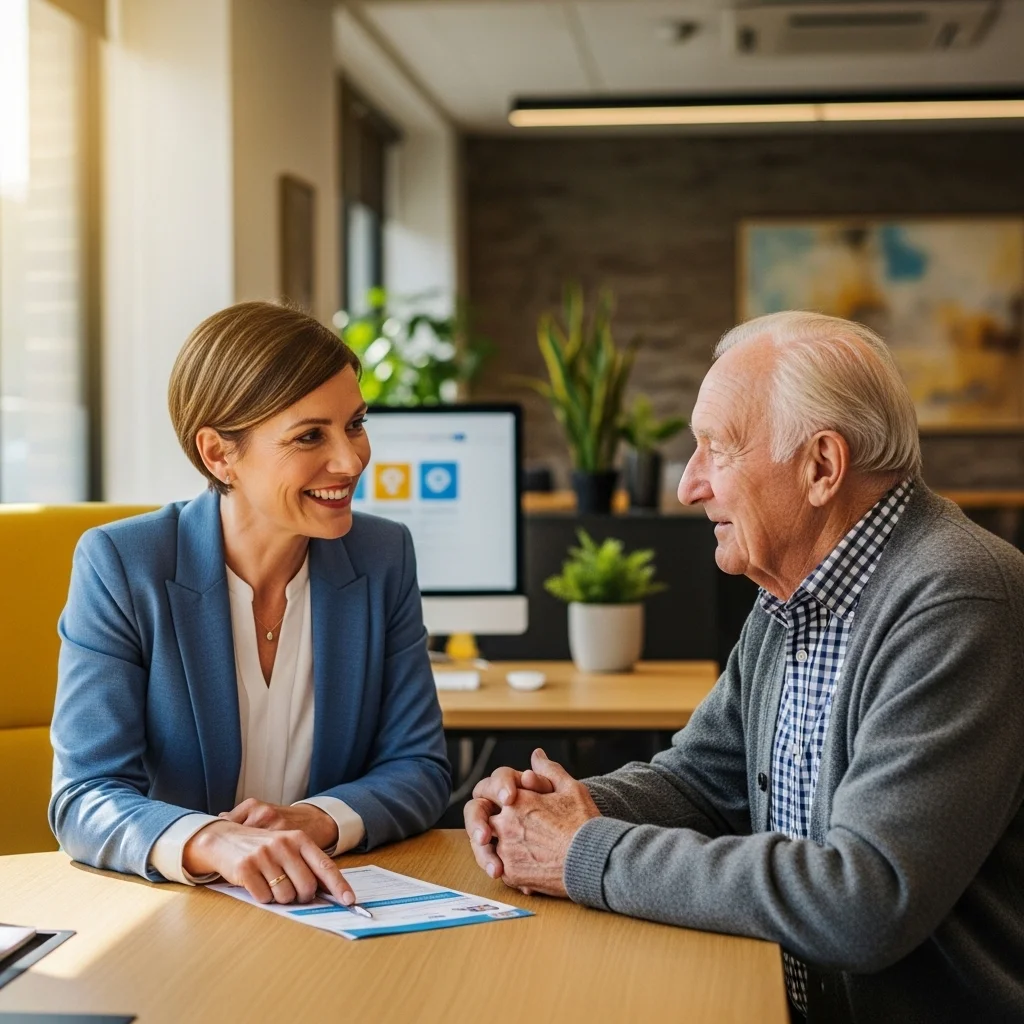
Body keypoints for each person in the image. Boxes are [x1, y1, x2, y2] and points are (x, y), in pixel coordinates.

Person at [464, 311, 1024, 1023]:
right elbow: (701, 781)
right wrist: (550, 810)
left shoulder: (959, 598)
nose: (687, 487)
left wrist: (584, 851)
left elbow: (866, 901)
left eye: (715, 450)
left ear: (822, 466)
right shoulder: (792, 588)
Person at [50, 301, 450, 907]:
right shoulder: (124, 564)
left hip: (327, 909)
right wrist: (211, 839)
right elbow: (84, 795)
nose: (351, 460)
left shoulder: (383, 554)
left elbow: (419, 767)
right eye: (310, 435)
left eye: (356, 423)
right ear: (218, 455)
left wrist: (315, 820)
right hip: (180, 913)